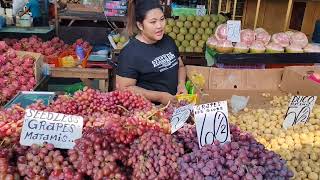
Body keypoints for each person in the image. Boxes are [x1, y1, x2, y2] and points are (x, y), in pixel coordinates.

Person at [116, 0, 187, 105]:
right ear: (140, 25)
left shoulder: (168, 41)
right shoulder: (130, 53)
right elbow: (124, 88)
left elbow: (180, 66)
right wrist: (160, 97)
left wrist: (181, 84)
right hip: (148, 112)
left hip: (174, 106)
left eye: (162, 19)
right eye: (153, 22)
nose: (159, 26)